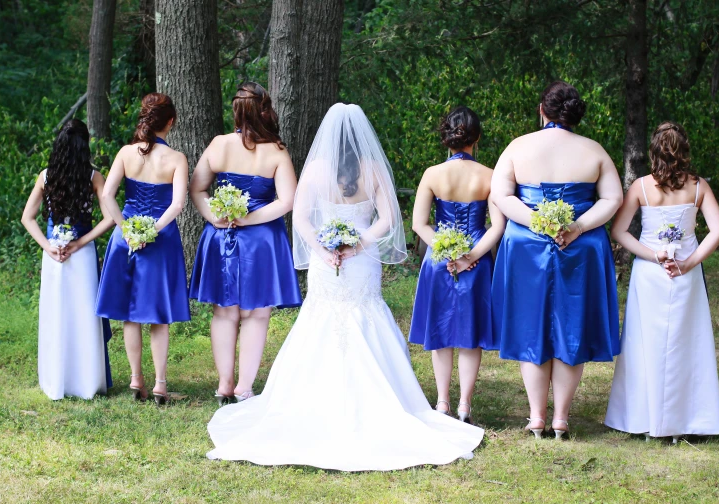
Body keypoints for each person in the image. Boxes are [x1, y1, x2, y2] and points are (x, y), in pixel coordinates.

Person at [206, 103, 484, 471]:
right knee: (364, 313)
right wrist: (358, 245)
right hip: (360, 262)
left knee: (323, 318)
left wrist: (323, 249)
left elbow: (301, 218)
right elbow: (386, 219)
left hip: (327, 262)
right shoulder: (372, 169)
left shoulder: (316, 169)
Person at [490, 81, 623, 439]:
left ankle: (536, 417)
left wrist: (537, 222)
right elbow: (613, 199)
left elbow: (500, 194)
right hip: (580, 247)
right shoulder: (594, 150)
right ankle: (561, 418)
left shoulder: (518, 147)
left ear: (541, 110)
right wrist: (577, 226)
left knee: (530, 325)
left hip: (527, 245)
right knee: (572, 325)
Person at [605, 122, 719, 442]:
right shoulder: (698, 187)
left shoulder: (641, 187)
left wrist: (650, 255)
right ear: (684, 150)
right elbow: (718, 230)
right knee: (688, 344)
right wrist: (689, 263)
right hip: (685, 275)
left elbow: (618, 232)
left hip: (651, 275)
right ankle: (687, 421)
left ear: (654, 153)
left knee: (646, 344)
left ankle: (644, 419)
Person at [189, 82, 302, 406]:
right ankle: (242, 387)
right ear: (263, 110)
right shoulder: (275, 151)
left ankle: (224, 384)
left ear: (236, 111)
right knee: (256, 315)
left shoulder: (219, 145)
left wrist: (216, 217)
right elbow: (288, 199)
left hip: (222, 237)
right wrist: (249, 219)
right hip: (261, 240)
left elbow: (197, 189)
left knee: (224, 313)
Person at [409, 106, 505, 423]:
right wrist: (470, 256)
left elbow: (420, 224)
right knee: (470, 333)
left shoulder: (432, 175)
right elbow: (497, 226)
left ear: (446, 138)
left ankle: (442, 402)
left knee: (440, 332)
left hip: (439, 262)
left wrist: (446, 249)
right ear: (475, 138)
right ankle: (464, 404)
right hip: (477, 262)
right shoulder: (489, 176)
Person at [96, 93, 190, 405]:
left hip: (126, 241)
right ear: (171, 122)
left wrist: (126, 229)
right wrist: (152, 230)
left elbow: (108, 196)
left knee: (130, 314)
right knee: (158, 315)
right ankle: (160, 384)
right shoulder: (176, 159)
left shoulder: (125, 153)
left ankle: (137, 379)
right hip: (160, 241)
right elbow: (177, 204)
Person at [21, 119, 114, 400]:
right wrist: (80, 243)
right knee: (84, 316)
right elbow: (110, 218)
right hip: (81, 256)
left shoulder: (46, 176)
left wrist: (49, 247)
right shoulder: (93, 176)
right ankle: (87, 381)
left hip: (54, 259)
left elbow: (28, 218)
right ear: (84, 146)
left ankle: (56, 379)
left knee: (57, 315)